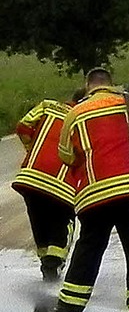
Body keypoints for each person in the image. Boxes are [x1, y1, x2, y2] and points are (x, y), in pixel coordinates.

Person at [55, 68, 129, 312]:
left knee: (90, 248)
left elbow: (66, 156)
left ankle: (69, 307)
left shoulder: (75, 114)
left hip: (97, 193)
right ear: (111, 84)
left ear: (88, 85)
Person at [11, 91, 84, 280]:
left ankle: (46, 263)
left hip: (31, 179)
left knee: (39, 221)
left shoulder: (47, 107)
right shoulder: (85, 119)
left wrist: (31, 149)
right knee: (63, 223)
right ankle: (53, 263)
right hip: (62, 186)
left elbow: (23, 126)